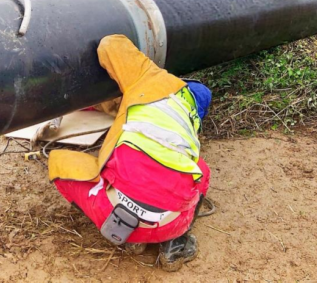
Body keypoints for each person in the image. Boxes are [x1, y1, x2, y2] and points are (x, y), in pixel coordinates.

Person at [48, 34, 212, 271]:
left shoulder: (150, 77)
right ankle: (175, 244)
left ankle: (131, 238)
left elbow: (110, 44)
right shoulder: (188, 125)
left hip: (111, 213)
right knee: (200, 176)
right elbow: (200, 180)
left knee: (60, 163)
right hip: (170, 224)